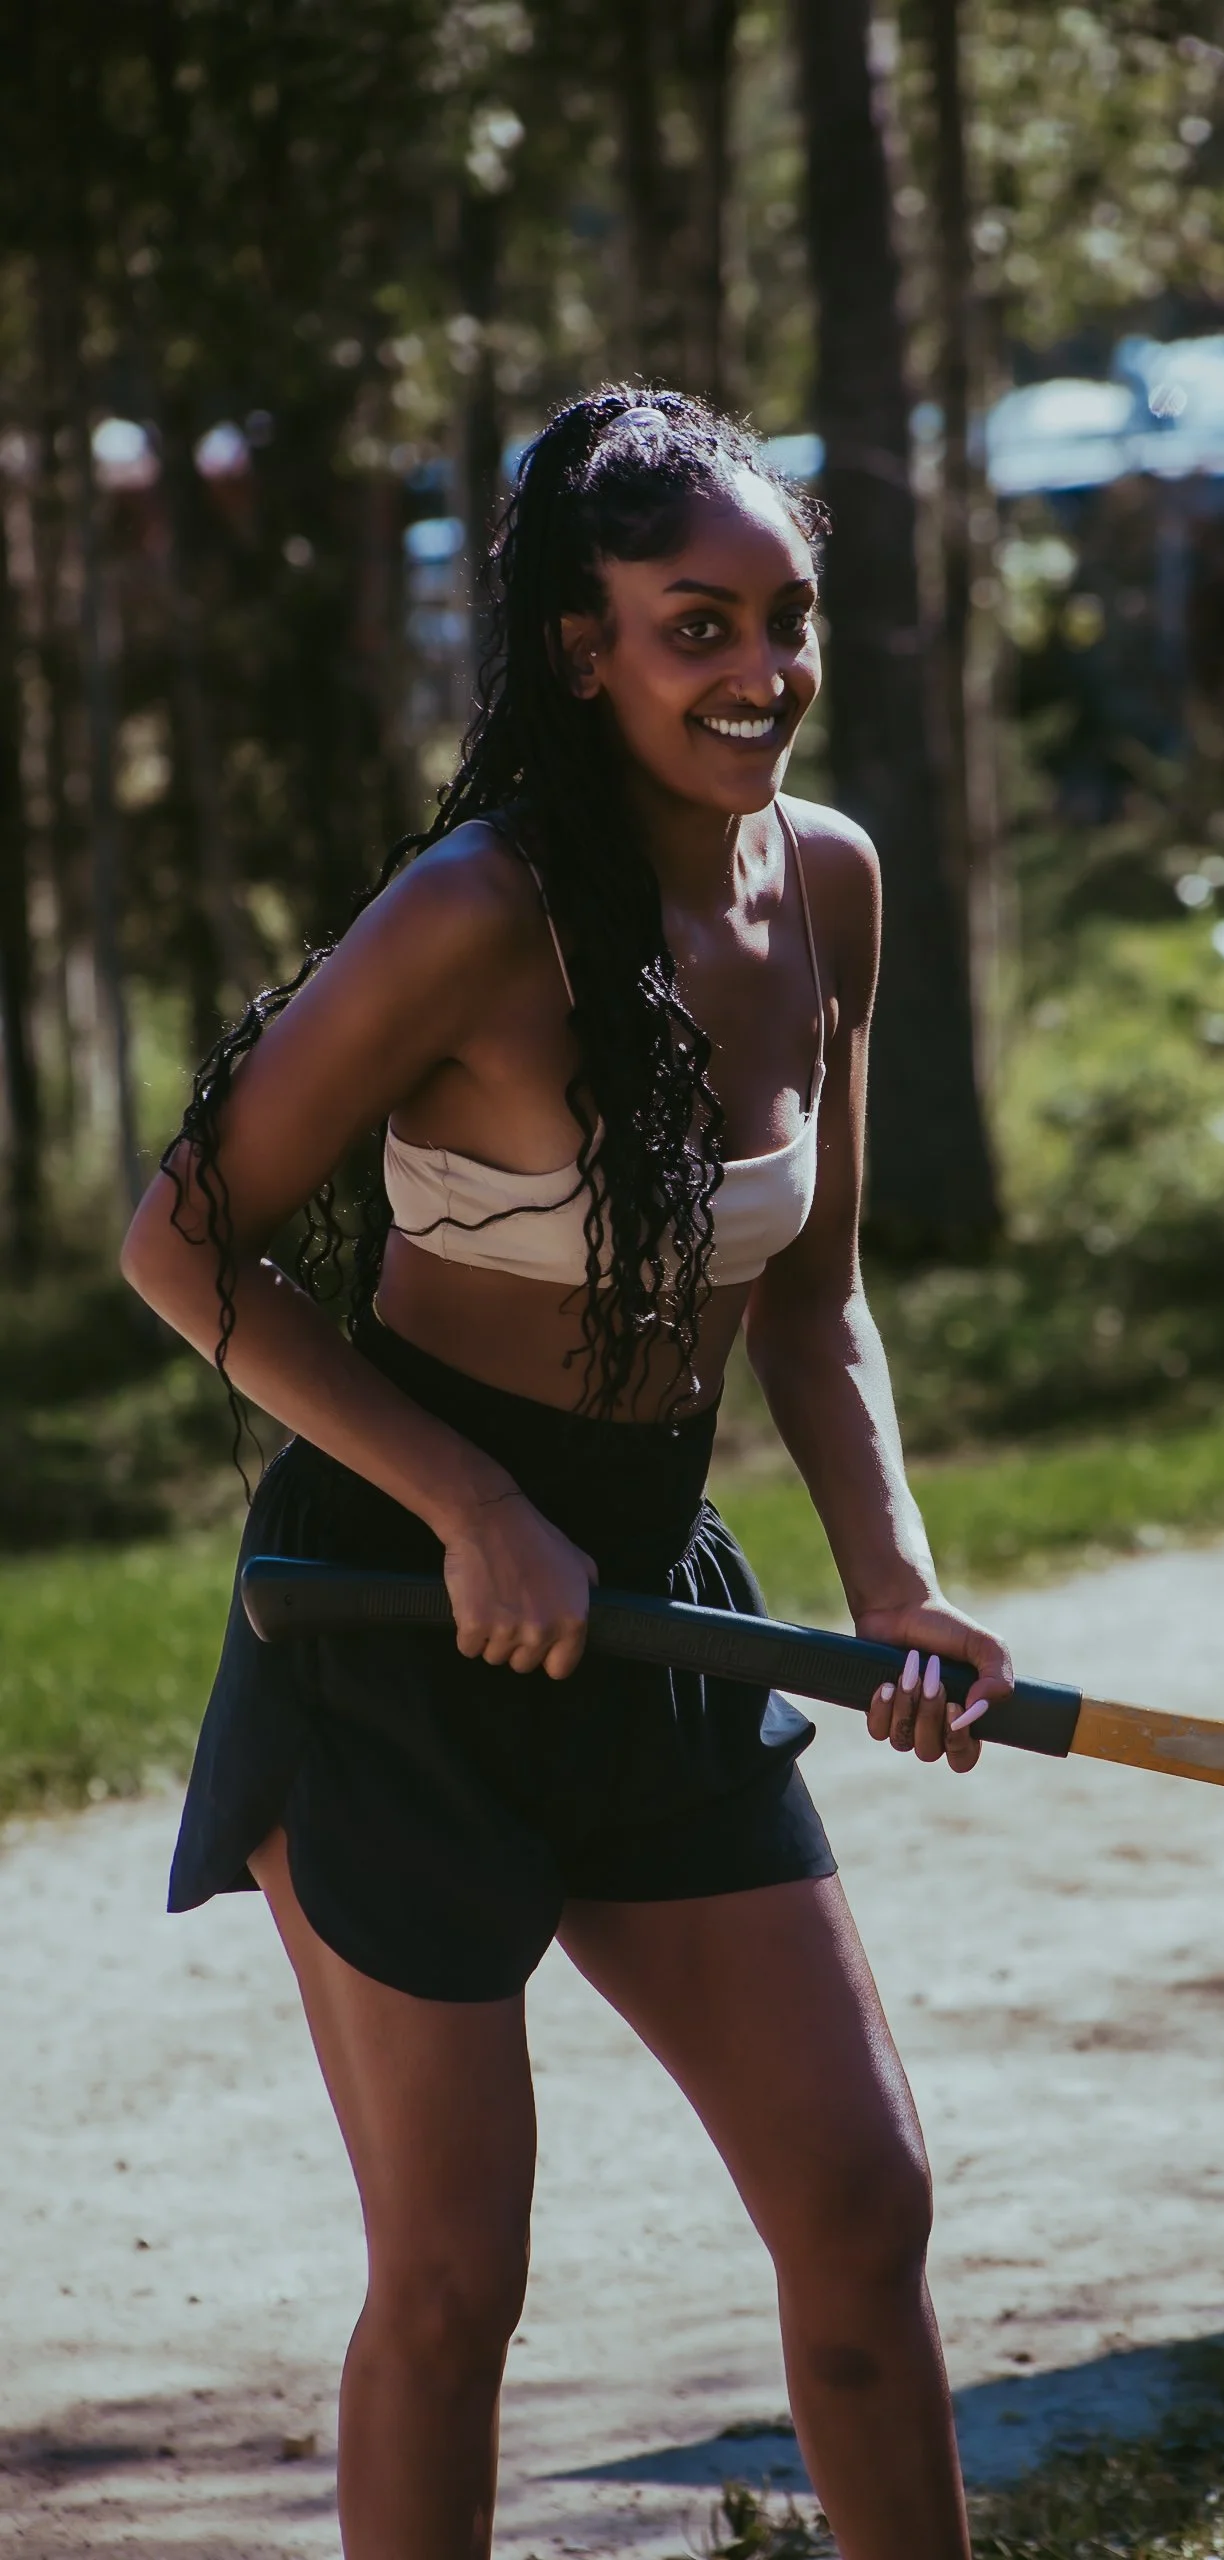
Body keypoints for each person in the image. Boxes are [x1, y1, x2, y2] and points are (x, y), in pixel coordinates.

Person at [120, 385, 1014, 2560]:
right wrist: (464, 1498)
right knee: (452, 2281)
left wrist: (893, 1578)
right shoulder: (472, 913)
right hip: (398, 1614)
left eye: (783, 620)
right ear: (579, 650)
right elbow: (180, 1239)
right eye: (693, 624)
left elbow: (810, 1295)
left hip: (654, 1599)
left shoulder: (829, 886)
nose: (759, 672)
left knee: (863, 2201)